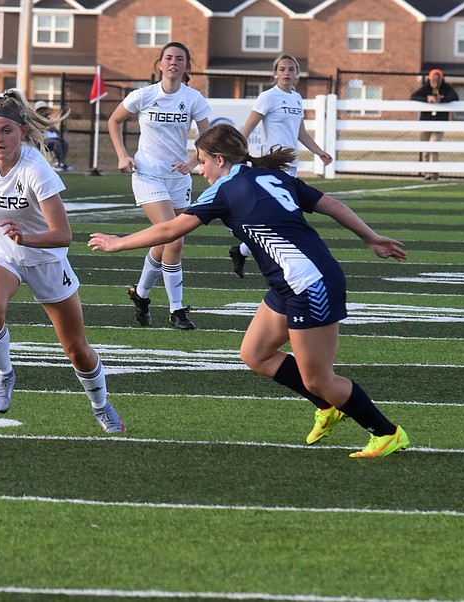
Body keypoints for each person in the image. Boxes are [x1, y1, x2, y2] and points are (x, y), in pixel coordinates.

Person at [89, 124, 410, 458]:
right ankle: (327, 406)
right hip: (291, 282)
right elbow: (332, 204)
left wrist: (118, 243)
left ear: (219, 159)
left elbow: (170, 229)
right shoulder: (271, 176)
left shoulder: (225, 189)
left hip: (309, 284)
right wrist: (370, 237)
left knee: (318, 379)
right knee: (256, 354)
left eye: (202, 161)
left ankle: (387, 433)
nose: (200, 170)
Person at [0, 89, 125, 433]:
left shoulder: (36, 170)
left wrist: (26, 238)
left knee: (76, 349)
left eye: (6, 131)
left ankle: (101, 406)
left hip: (45, 258)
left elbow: (63, 235)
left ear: (23, 131)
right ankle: (5, 374)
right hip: (0, 251)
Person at [108, 41, 211, 330]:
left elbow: (208, 138)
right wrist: (122, 155)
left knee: (164, 240)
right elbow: (114, 121)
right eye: (168, 58)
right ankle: (176, 310)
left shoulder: (193, 99)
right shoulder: (144, 95)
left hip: (178, 178)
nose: (173, 62)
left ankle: (140, 295)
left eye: (179, 58)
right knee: (174, 239)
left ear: (187, 66)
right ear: (160, 64)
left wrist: (192, 162)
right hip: (147, 174)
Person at [229, 54, 333, 278]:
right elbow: (248, 127)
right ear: (275, 73)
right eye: (282, 69)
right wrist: (236, 152)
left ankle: (242, 250)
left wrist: (319, 151)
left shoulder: (296, 98)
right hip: (272, 164)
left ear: (297, 74)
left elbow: (301, 133)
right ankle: (288, 265)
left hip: (291, 164)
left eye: (291, 69)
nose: (287, 73)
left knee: (277, 217)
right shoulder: (268, 97)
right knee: (286, 215)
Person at [410, 68, 459, 181]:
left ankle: (434, 173)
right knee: (425, 149)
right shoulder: (425, 89)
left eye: (438, 81)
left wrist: (441, 100)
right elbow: (413, 97)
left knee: (434, 146)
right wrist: (427, 99)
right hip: (425, 123)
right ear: (429, 80)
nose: (435, 84)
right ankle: (427, 173)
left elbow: (454, 97)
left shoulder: (447, 88)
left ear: (441, 80)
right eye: (433, 81)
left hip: (439, 123)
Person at [34, 100, 70, 171]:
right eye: (41, 109)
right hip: (41, 141)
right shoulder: (35, 120)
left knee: (65, 144)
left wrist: (54, 130)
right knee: (56, 144)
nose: (43, 111)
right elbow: (38, 131)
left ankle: (61, 163)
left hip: (51, 139)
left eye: (44, 109)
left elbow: (55, 132)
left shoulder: (49, 120)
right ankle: (59, 164)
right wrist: (46, 128)